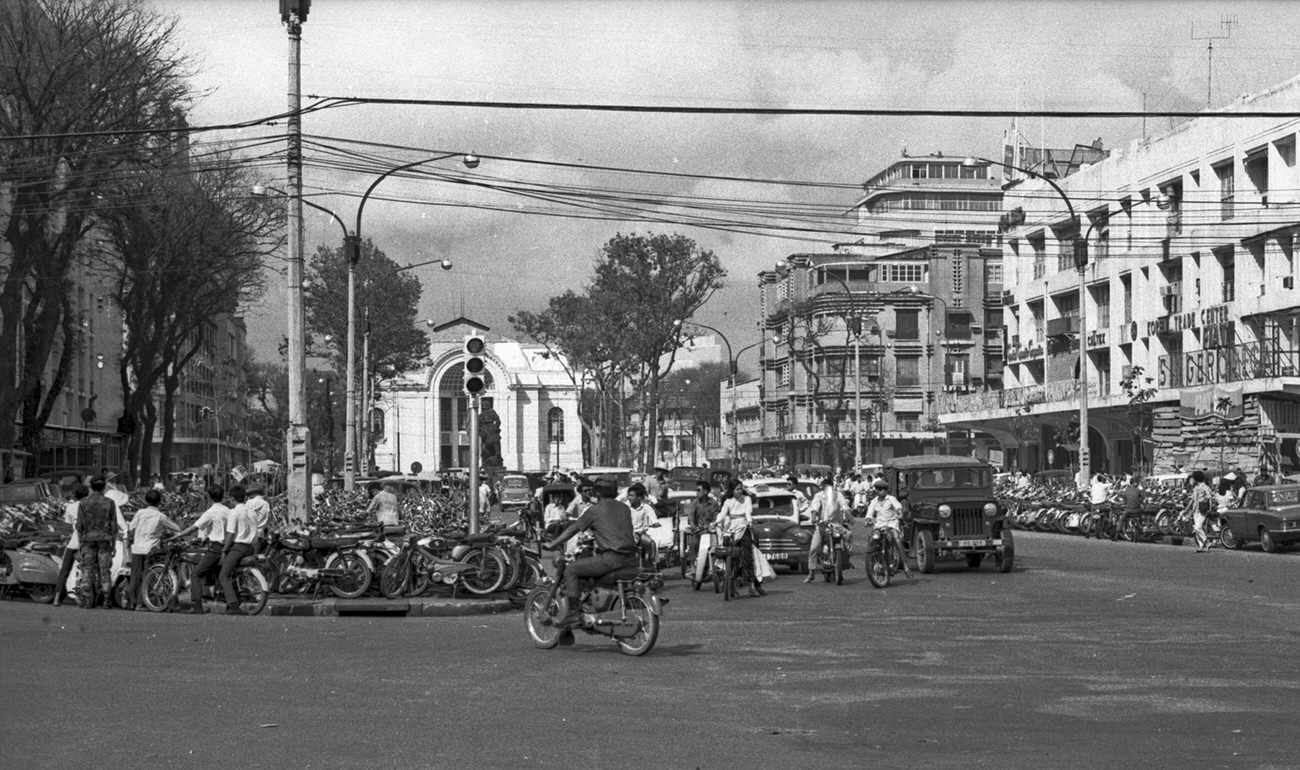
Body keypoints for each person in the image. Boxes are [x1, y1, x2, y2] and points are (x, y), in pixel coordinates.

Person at [544, 480, 639, 628]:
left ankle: (574, 614)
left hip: (611, 558)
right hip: (632, 558)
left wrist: (553, 544)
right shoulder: (624, 508)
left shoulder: (594, 511)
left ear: (597, 492)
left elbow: (572, 529)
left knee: (571, 569)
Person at [173, 486, 230, 614]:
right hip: (226, 546)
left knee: (196, 574)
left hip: (215, 548)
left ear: (210, 498)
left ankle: (197, 606)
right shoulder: (228, 510)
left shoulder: (211, 512)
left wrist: (178, 535)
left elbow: (194, 527)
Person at [125, 489, 179, 610]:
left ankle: (131, 602)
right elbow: (177, 528)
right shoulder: (161, 516)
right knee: (147, 577)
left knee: (135, 576)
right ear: (160, 502)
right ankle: (141, 603)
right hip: (150, 550)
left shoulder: (139, 513)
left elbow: (131, 528)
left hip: (137, 549)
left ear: (146, 500)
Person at [75, 476, 121, 608]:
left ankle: (87, 599)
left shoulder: (83, 503)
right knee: (105, 570)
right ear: (104, 486)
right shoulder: (109, 502)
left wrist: (80, 544)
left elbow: (79, 526)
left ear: (91, 487)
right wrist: (113, 545)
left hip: (87, 540)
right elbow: (114, 527)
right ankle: (107, 599)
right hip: (104, 541)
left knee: (87, 569)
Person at [714, 483, 765, 596]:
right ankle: (730, 583)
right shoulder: (728, 501)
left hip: (744, 527)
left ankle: (752, 586)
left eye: (741, 489)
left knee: (748, 558)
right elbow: (722, 514)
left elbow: (748, 511)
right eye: (737, 489)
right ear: (732, 490)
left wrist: (749, 521)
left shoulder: (746, 499)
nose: (740, 491)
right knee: (730, 556)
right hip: (731, 529)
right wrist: (716, 522)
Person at [219, 485, 258, 615]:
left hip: (238, 547)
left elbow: (230, 535)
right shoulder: (251, 511)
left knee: (223, 575)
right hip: (250, 547)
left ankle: (233, 605)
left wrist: (224, 550)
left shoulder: (234, 512)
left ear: (231, 498)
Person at [864, 478, 912, 579]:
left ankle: (906, 566)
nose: (881, 491)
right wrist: (868, 519)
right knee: (872, 539)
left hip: (891, 524)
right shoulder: (874, 501)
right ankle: (873, 563)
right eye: (879, 489)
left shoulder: (891, 499)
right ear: (876, 491)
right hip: (879, 526)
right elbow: (869, 513)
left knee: (897, 539)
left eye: (883, 489)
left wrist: (899, 513)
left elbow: (898, 507)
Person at [803, 477, 848, 583]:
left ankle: (845, 563)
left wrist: (849, 514)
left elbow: (844, 506)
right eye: (823, 487)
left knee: (846, 542)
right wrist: (814, 516)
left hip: (836, 525)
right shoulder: (818, 496)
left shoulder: (838, 495)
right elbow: (815, 506)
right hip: (822, 526)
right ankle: (811, 574)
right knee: (813, 548)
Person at [53, 483, 90, 606]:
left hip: (73, 542)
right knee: (88, 570)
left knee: (65, 570)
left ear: (74, 495)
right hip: (87, 543)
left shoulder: (71, 507)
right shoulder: (91, 507)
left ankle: (57, 598)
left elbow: (68, 525)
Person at [625, 483, 660, 567]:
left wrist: (655, 523)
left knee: (651, 543)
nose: (629, 498)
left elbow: (653, 519)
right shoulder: (625, 507)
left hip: (641, 534)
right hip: (628, 535)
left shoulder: (646, 508)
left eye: (632, 495)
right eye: (629, 495)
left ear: (639, 497)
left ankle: (652, 565)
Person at [1188, 470, 1215, 552]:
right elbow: (1193, 499)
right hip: (1195, 510)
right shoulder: (1195, 488)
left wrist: (1210, 508)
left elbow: (1209, 498)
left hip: (1202, 510)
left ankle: (1206, 541)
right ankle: (1201, 545)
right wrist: (1187, 509)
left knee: (1197, 527)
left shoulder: (1205, 487)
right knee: (1196, 529)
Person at [1113, 473, 1144, 542]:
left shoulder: (1127, 490)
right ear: (1134, 483)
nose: (1138, 484)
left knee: (1121, 520)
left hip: (1128, 510)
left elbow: (1124, 500)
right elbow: (1142, 498)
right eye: (1137, 483)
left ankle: (1116, 534)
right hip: (1137, 509)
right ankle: (1141, 528)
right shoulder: (1138, 490)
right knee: (1140, 517)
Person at [245, 484, 272, 551]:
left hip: (250, 531)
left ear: (254, 493)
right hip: (260, 532)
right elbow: (268, 518)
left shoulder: (249, 502)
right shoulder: (265, 503)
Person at [1086, 473, 1111, 539]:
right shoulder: (1103, 485)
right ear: (1102, 480)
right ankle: (1109, 522)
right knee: (1108, 511)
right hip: (1101, 505)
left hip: (1093, 504)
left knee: (1091, 518)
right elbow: (1112, 483)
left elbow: (1091, 494)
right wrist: (1108, 478)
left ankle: (1087, 531)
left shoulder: (1094, 486)